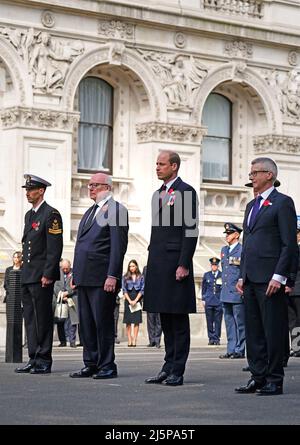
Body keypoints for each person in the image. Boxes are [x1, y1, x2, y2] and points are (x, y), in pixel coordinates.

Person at [235, 157, 298, 396]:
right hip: (250, 278)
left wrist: (280, 276)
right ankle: (257, 376)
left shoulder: (283, 203)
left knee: (272, 330)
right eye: (251, 174)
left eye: (255, 173)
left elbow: (289, 244)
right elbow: (247, 241)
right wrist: (242, 275)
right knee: (254, 331)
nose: (251, 177)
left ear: (269, 175)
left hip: (270, 278)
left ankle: (274, 379)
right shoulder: (252, 206)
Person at [144, 150, 199, 386]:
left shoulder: (185, 191)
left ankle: (178, 368)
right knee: (165, 316)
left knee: (177, 318)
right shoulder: (158, 194)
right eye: (156, 163)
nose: (157, 167)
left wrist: (184, 263)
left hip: (176, 263)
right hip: (158, 263)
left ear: (174, 166)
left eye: (162, 164)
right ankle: (168, 365)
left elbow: (190, 230)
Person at [70, 172, 128, 380]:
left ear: (107, 187)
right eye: (89, 185)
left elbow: (117, 247)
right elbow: (81, 246)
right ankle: (91, 362)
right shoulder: (89, 212)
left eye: (95, 185)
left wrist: (112, 275)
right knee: (86, 323)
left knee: (102, 322)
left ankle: (107, 365)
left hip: (102, 278)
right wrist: (75, 274)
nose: (90, 188)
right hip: (85, 277)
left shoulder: (116, 210)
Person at [15, 174, 63, 374]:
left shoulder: (50, 214)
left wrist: (48, 273)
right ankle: (33, 357)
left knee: (42, 318)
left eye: (30, 189)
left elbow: (54, 248)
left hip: (41, 275)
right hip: (28, 274)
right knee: (30, 317)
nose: (27, 193)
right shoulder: (30, 215)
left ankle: (43, 359)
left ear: (41, 191)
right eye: (26, 190)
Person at [219, 223, 245, 359]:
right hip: (225, 292)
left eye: (229, 233)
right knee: (229, 323)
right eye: (226, 234)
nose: (227, 236)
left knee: (240, 323)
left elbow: (243, 270)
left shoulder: (242, 250)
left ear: (237, 235)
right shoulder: (224, 250)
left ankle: (240, 349)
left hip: (236, 292)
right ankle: (231, 349)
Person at [53, 259, 79, 348]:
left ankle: (72, 341)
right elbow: (55, 286)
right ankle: (62, 341)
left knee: (72, 321)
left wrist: (68, 293)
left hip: (72, 299)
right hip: (60, 299)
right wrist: (60, 294)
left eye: (66, 269)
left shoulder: (74, 273)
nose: (65, 270)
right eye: (63, 268)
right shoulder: (57, 273)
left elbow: (76, 286)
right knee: (60, 320)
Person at [122, 259, 144, 347]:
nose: (131, 268)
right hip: (128, 298)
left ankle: (134, 339)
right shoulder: (125, 277)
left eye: (133, 266)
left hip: (137, 298)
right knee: (128, 321)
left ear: (136, 266)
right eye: (130, 266)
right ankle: (129, 339)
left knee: (136, 321)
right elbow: (124, 289)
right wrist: (130, 300)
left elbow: (143, 289)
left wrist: (135, 300)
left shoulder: (141, 277)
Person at [286, 221, 300, 358]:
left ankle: (297, 347)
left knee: (298, 320)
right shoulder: (291, 248)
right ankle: (295, 347)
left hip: (298, 289)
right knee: (292, 320)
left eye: (296, 233)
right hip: (290, 289)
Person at [201, 257, 223, 346]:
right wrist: (203, 299)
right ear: (211, 266)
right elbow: (204, 288)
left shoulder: (222, 275)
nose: (214, 267)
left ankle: (217, 338)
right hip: (209, 301)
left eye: (215, 265)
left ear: (218, 266)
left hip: (218, 301)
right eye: (213, 265)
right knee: (209, 321)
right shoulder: (207, 275)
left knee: (218, 321)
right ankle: (211, 338)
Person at [143, 265, 162, 348]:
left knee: (159, 321)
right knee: (150, 320)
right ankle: (152, 340)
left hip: (160, 297)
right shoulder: (146, 268)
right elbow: (143, 282)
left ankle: (157, 340)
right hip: (150, 297)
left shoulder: (162, 266)